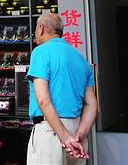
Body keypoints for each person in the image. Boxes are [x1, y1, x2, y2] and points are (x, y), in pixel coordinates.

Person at [26, 13, 98, 165]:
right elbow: (92, 104)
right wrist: (79, 134)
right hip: (76, 133)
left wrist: (65, 137)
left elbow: (43, 100)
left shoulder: (40, 52)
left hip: (50, 131)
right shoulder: (80, 59)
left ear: (41, 28)